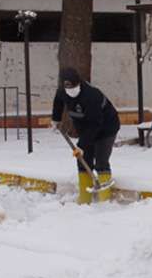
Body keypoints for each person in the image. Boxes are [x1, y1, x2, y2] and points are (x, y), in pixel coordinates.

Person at [51, 67, 121, 203]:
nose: (71, 90)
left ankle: (105, 200)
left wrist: (82, 145)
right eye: (68, 87)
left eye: (74, 86)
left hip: (106, 127)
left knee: (101, 160)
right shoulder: (62, 91)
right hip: (85, 127)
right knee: (82, 159)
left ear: (79, 82)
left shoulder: (92, 95)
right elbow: (58, 101)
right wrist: (56, 119)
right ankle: (84, 198)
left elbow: (95, 124)